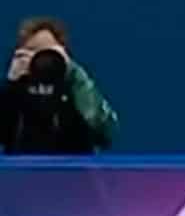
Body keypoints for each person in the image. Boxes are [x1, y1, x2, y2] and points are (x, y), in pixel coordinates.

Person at [0, 16, 117, 156]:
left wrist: (75, 75)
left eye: (48, 52)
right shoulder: (15, 90)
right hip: (20, 174)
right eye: (34, 51)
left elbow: (105, 131)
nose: (41, 59)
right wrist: (10, 84)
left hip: (74, 175)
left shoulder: (76, 86)